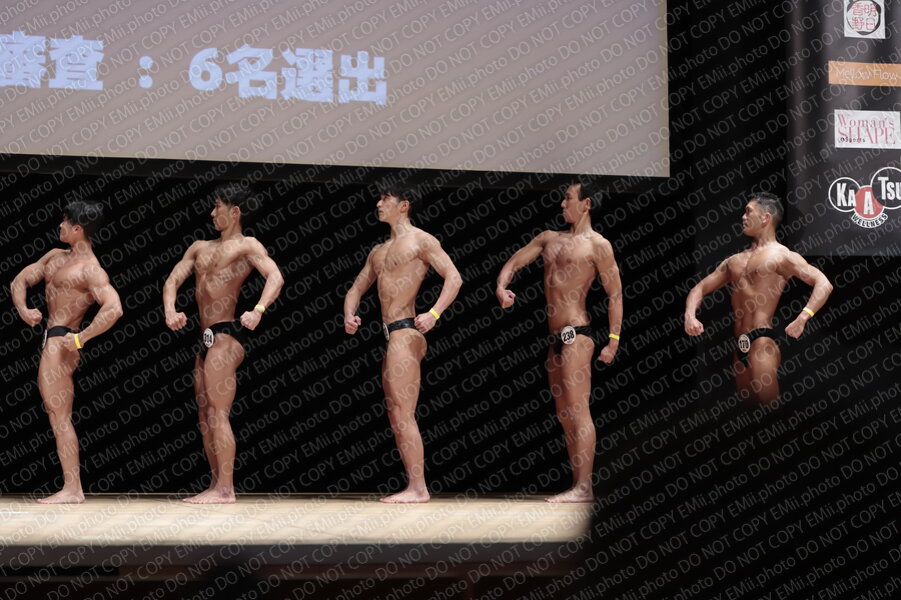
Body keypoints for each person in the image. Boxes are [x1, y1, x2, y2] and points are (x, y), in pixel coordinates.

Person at [496, 180, 623, 503]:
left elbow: (615, 295)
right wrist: (501, 287)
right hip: (555, 338)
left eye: (568, 199)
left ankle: (584, 486)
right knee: (565, 413)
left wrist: (613, 340)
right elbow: (514, 262)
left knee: (578, 410)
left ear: (586, 204)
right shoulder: (548, 238)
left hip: (577, 334)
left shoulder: (598, 245)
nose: (562, 204)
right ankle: (577, 485)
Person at [163, 183, 283, 504]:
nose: (212, 213)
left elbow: (275, 276)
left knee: (218, 412)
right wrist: (170, 309)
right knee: (205, 415)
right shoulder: (199, 247)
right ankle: (216, 484)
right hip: (205, 339)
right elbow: (173, 279)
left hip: (227, 334)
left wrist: (258, 310)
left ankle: (227, 489)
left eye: (218, 206)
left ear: (235, 211)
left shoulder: (247, 245)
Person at [344, 185, 462, 503]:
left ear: (404, 205)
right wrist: (349, 315)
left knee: (403, 412)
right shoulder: (378, 251)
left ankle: (418, 488)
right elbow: (355, 290)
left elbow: (454, 277)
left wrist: (434, 313)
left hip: (406, 331)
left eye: (385, 199)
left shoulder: (421, 240)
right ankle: (415, 486)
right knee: (396, 413)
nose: (378, 203)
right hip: (391, 334)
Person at [11, 202, 123, 504]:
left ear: (78, 229)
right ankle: (72, 487)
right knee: (56, 416)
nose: (59, 225)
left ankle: (73, 489)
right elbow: (19, 280)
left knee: (60, 417)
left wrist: (80, 338)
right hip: (51, 339)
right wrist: (23, 309)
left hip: (61, 341)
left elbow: (114, 308)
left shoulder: (90, 269)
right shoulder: (54, 256)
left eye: (64, 221)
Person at [684, 192, 833, 404]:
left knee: (768, 409)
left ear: (765, 218)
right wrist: (690, 315)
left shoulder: (781, 256)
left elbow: (824, 283)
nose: (743, 217)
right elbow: (698, 289)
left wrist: (803, 317)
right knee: (749, 412)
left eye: (748, 212)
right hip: (740, 344)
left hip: (762, 341)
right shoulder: (734, 261)